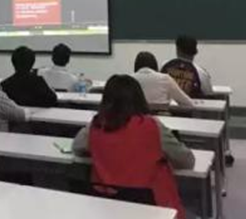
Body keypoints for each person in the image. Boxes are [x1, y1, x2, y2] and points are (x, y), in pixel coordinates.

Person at [72, 75, 194, 219]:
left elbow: (77, 147)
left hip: (108, 208)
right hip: (154, 208)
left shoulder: (97, 125)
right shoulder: (152, 126)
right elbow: (187, 161)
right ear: (139, 98)